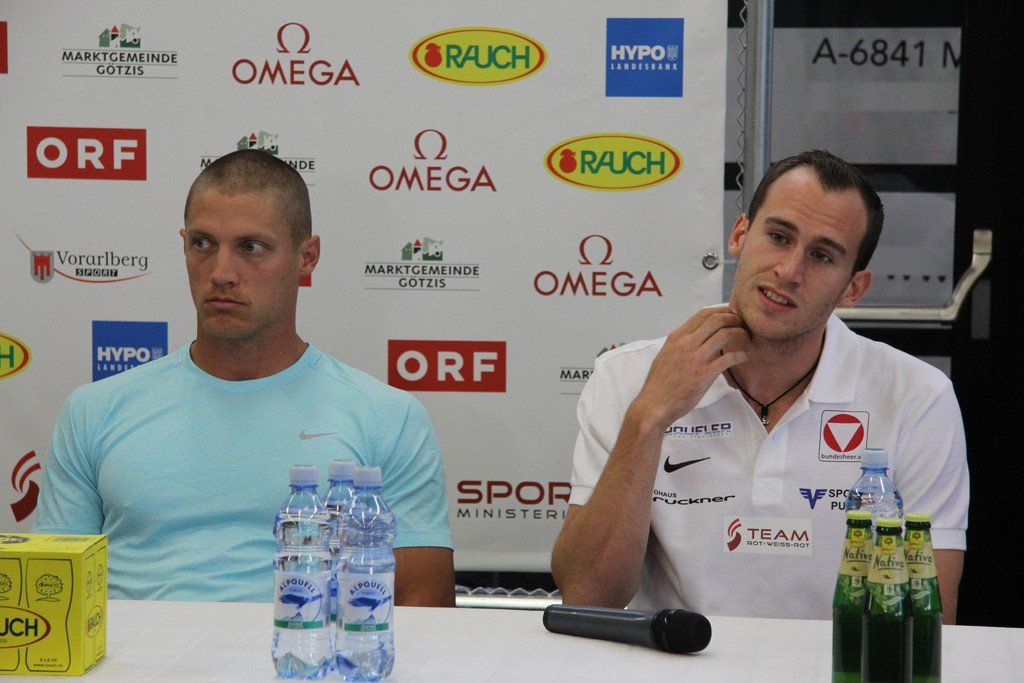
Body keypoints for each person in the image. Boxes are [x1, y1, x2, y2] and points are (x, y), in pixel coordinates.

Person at [551, 150, 968, 623]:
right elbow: (588, 595)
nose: (789, 271)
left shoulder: (918, 398)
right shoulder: (627, 377)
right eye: (778, 237)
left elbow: (930, 622)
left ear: (853, 288)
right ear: (739, 235)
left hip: (837, 662)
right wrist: (649, 417)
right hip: (675, 659)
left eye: (821, 255)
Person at [33, 149, 455, 606]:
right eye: (203, 244)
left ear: (307, 257)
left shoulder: (387, 417)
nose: (221, 274)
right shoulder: (93, 411)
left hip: (306, 650)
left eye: (251, 248)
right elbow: (54, 598)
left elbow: (424, 610)